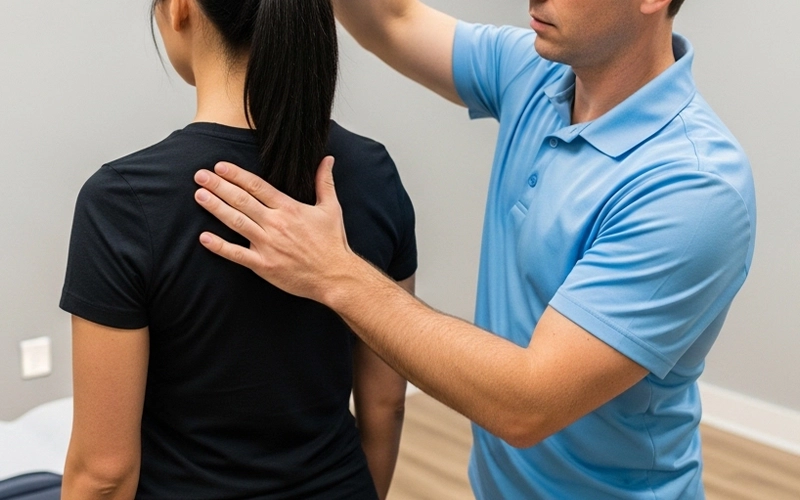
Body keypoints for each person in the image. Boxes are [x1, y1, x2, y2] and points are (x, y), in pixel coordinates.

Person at [192, 0, 757, 498]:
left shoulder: (692, 188)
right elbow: (392, 18)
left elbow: (528, 402)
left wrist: (334, 273)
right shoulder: (535, 73)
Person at [59, 0, 417, 498]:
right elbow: (385, 405)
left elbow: (104, 473)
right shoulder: (373, 171)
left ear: (181, 8)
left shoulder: (124, 201)